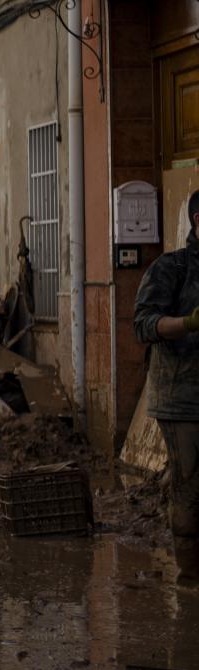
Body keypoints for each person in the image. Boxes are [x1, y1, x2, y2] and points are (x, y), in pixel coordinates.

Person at [135, 188, 199, 580]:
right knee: (190, 490)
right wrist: (189, 323)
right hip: (182, 400)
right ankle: (190, 579)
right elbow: (143, 326)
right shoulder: (170, 268)